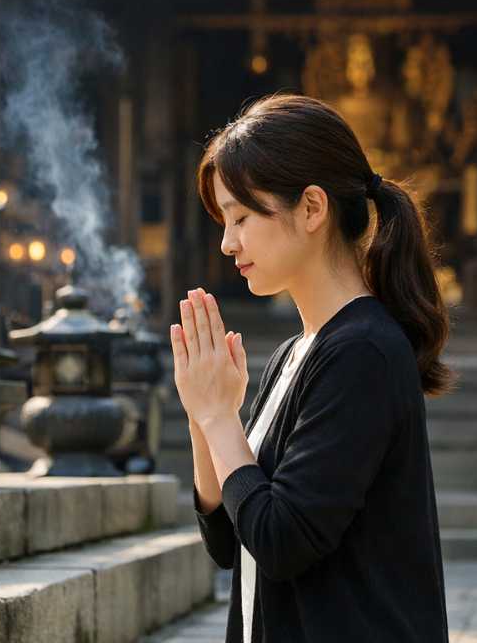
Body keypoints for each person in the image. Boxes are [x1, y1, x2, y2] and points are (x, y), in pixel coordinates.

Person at [170, 94, 450, 642]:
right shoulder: (294, 354)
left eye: (242, 217)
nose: (228, 243)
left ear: (312, 209)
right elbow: (231, 538)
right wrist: (202, 415)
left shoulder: (363, 352)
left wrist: (221, 418)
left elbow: (282, 541)